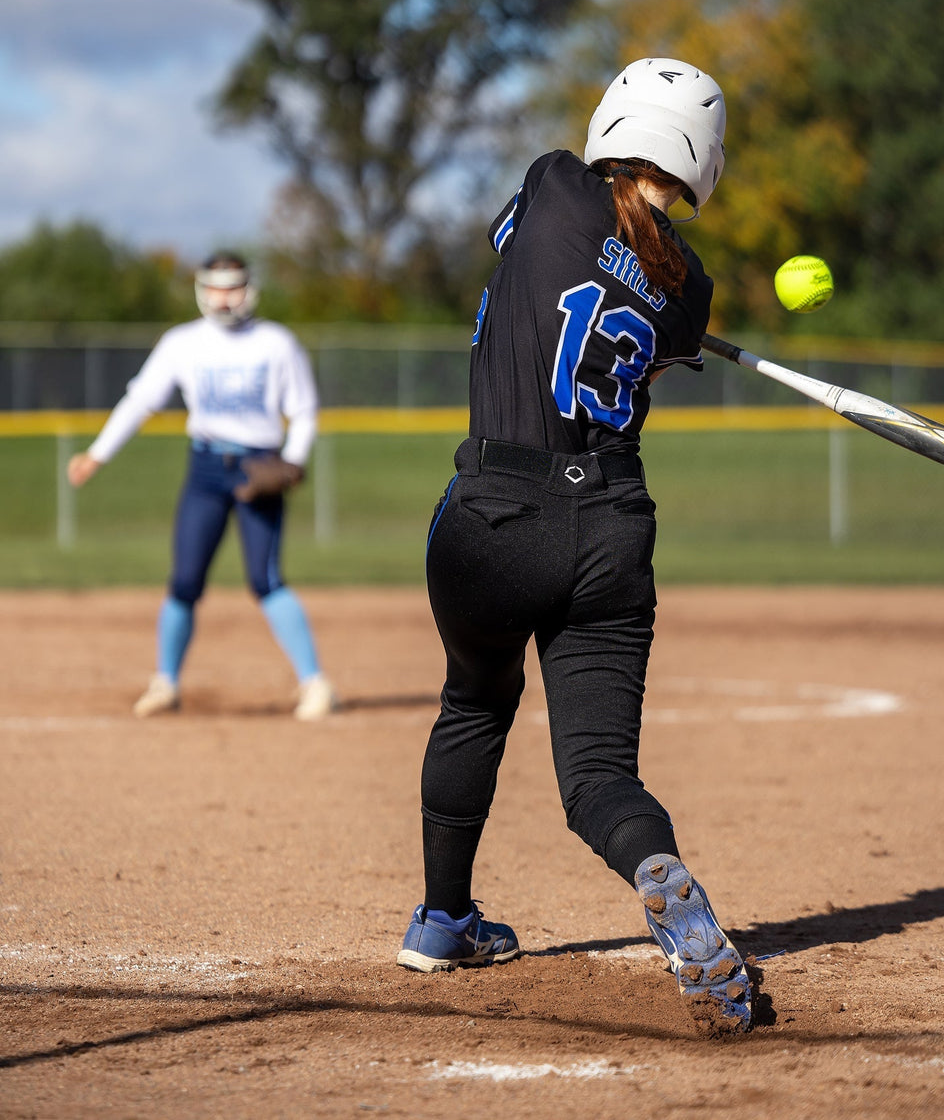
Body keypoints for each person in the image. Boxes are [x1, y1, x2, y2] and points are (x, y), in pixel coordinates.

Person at [396, 58, 753, 1036]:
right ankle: (659, 873)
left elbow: (512, 247)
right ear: (702, 162)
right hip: (610, 530)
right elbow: (651, 343)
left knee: (475, 699)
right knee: (598, 776)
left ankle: (442, 922)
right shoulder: (692, 289)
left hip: (494, 514)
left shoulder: (554, 180)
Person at [67, 252, 338, 723]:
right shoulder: (182, 343)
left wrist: (292, 462)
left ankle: (315, 684)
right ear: (201, 290)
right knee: (185, 580)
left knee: (265, 579)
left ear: (249, 289)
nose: (223, 297)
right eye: (215, 286)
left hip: (259, 468)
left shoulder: (276, 343)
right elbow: (140, 400)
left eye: (232, 287)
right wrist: (98, 453)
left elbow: (304, 410)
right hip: (206, 469)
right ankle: (166, 683)